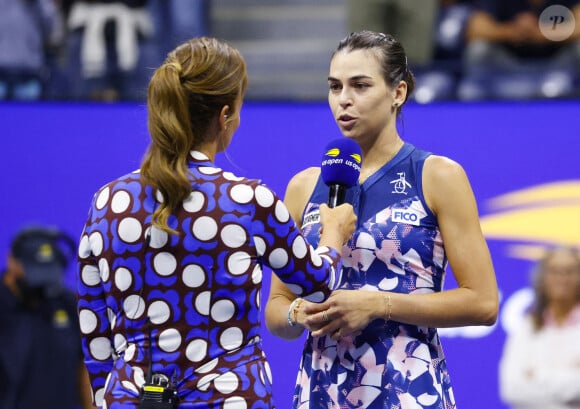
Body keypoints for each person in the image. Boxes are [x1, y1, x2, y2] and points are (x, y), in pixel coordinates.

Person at [76, 36, 357, 408]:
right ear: (225, 116)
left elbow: (94, 326)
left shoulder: (106, 202)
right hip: (229, 398)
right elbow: (319, 286)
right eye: (238, 109)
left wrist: (106, 396)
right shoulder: (248, 201)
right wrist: (334, 236)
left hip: (129, 398)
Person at [265, 30, 499, 408]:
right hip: (322, 390)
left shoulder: (438, 175)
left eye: (360, 86)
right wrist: (297, 313)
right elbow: (277, 308)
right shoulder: (303, 186)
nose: (344, 100)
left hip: (408, 388)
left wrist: (377, 305)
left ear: (398, 93)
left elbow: (483, 302)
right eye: (335, 86)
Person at [0, 226, 93, 409]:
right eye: (34, 271)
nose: (40, 282)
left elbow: (84, 369)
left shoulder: (69, 305)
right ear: (12, 261)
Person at [499, 246, 580, 408]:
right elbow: (511, 389)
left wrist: (538, 376)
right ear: (543, 278)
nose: (562, 279)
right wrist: (568, 379)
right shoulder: (527, 327)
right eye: (554, 271)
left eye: (570, 271)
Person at [458, 0, 580, 100]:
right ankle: (478, 107)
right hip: (508, 67)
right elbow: (475, 29)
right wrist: (512, 31)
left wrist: (541, 32)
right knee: (479, 49)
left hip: (557, 67)